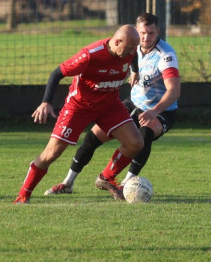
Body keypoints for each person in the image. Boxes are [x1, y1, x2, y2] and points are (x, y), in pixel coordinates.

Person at [45, 12, 180, 196]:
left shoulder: (166, 55)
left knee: (145, 133)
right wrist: (134, 72)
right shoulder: (131, 46)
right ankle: (67, 183)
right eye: (142, 33)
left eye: (151, 34)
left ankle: (124, 185)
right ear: (136, 31)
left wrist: (155, 111)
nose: (146, 38)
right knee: (93, 137)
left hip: (161, 110)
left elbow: (174, 91)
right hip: (133, 104)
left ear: (158, 32)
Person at [13, 25, 144, 204]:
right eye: (128, 48)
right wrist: (46, 102)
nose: (131, 52)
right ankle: (23, 194)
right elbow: (56, 73)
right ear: (117, 41)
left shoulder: (129, 51)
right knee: (52, 153)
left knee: (135, 142)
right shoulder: (90, 55)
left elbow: (134, 55)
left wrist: (135, 71)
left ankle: (106, 178)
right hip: (79, 106)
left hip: (109, 105)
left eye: (133, 49)